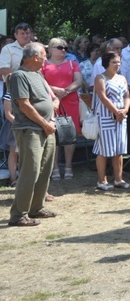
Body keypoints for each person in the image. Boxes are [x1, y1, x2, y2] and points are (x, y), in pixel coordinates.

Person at [8, 43, 58, 226]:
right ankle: (18, 215)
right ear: (34, 56)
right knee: (30, 171)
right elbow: (24, 105)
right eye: (44, 55)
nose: (46, 58)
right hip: (30, 129)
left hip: (46, 129)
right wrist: (45, 124)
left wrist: (51, 119)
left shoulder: (37, 75)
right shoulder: (19, 76)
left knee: (44, 170)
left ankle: (36, 208)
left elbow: (49, 99)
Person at [42, 38, 83, 181]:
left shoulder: (72, 63)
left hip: (70, 101)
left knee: (70, 134)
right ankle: (54, 167)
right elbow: (41, 82)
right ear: (51, 49)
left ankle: (68, 166)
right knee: (53, 134)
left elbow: (78, 81)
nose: (63, 50)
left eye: (65, 47)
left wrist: (65, 91)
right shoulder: (44, 65)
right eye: (60, 47)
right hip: (51, 101)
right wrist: (55, 91)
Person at [92, 52, 130, 191]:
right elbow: (103, 97)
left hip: (121, 118)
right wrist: (116, 111)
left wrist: (125, 110)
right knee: (104, 150)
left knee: (118, 149)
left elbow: (127, 95)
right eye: (114, 62)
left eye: (119, 62)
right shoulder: (100, 78)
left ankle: (118, 179)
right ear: (106, 63)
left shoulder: (122, 78)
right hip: (105, 117)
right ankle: (102, 180)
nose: (117, 65)